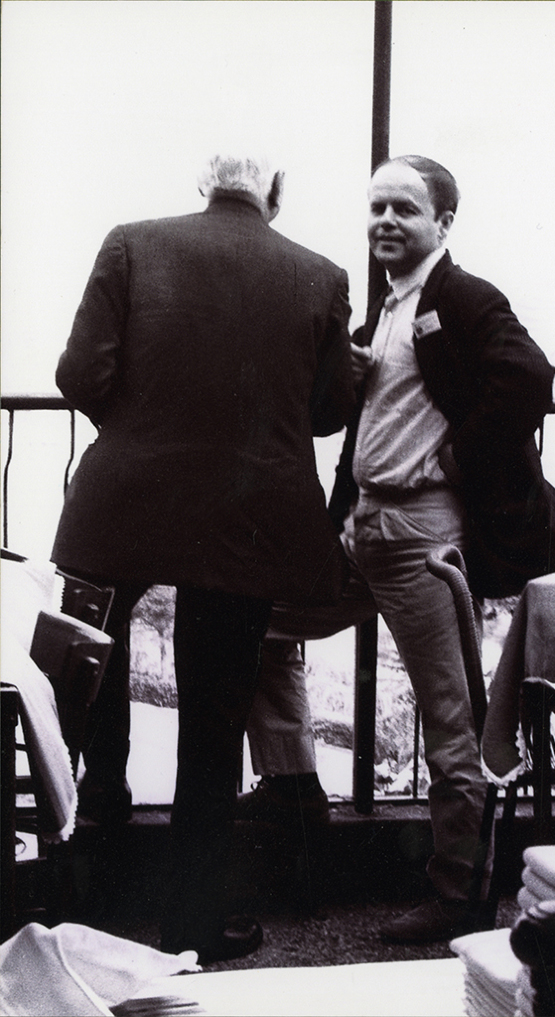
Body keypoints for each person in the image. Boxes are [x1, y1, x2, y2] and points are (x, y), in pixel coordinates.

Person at [240, 154, 555, 943]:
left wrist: (456, 458)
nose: (386, 223)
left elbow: (527, 377)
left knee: (451, 719)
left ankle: (460, 892)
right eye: (376, 209)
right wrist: (349, 367)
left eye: (405, 208)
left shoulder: (463, 297)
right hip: (362, 528)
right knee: (258, 625)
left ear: (443, 222)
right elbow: (339, 420)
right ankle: (295, 784)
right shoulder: (390, 310)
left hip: (421, 538)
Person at [50, 149, 355, 962]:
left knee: (91, 673)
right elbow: (328, 411)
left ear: (204, 185)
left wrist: (147, 428)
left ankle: (94, 866)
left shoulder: (132, 242)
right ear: (275, 195)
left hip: (124, 506)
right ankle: (193, 921)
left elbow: (80, 371)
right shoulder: (321, 277)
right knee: (214, 721)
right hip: (248, 518)